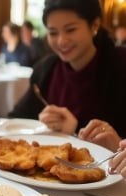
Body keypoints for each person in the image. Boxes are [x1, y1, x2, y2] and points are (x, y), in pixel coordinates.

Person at [8, 0, 126, 151]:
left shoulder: (120, 65)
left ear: (94, 25)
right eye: (53, 32)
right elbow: (15, 119)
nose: (61, 41)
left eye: (70, 30)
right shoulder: (45, 70)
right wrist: (41, 122)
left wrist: (117, 143)